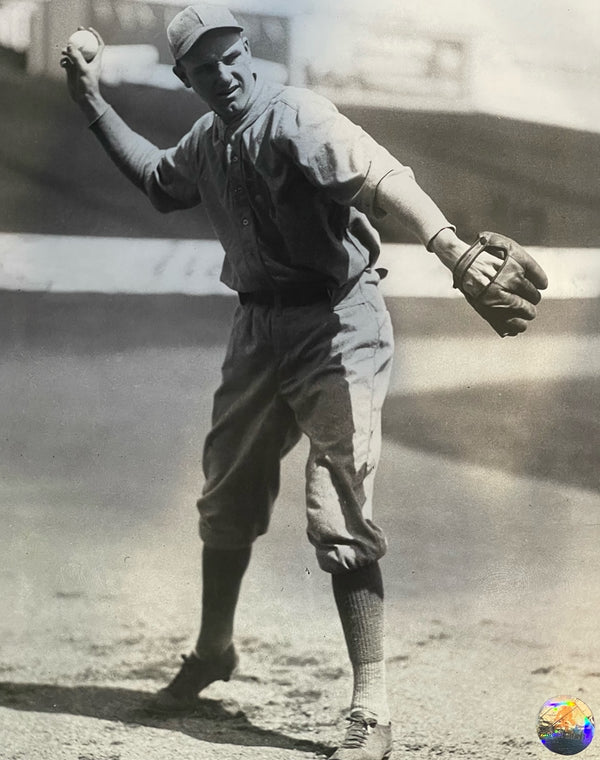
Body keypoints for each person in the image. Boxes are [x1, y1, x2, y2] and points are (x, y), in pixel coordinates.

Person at [61, 6, 545, 759]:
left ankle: (371, 703)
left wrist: (450, 250)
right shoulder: (208, 136)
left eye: (229, 55)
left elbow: (384, 175)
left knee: (338, 511)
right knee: (226, 494)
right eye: (203, 66)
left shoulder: (297, 116)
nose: (222, 72)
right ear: (185, 78)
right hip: (258, 331)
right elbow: (160, 181)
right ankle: (214, 650)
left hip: (338, 323)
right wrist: (91, 100)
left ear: (245, 51)